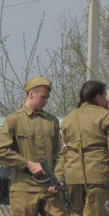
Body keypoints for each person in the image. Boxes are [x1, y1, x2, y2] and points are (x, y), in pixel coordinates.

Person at [0, 75, 65, 216]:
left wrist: (57, 178)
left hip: (50, 188)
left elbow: (60, 154)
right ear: (31, 94)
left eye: (47, 98)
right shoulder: (13, 120)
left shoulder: (52, 121)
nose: (46, 101)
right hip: (23, 189)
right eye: (43, 97)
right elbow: (0, 151)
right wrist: (28, 164)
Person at [55, 80, 109, 216]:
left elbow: (64, 151)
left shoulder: (68, 118)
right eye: (105, 96)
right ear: (98, 97)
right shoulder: (104, 116)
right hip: (97, 175)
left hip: (72, 177)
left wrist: (58, 177)